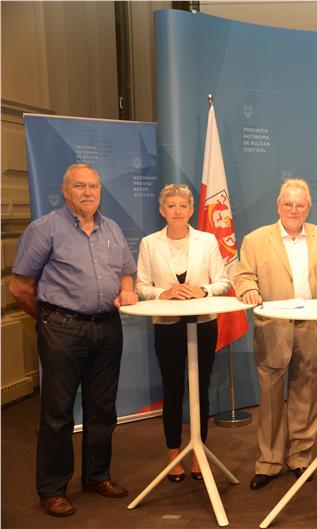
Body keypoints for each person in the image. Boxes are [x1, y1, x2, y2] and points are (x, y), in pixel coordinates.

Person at [9, 164, 138, 517]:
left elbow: (127, 273)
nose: (88, 192)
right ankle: (52, 490)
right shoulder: (45, 229)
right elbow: (20, 287)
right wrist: (49, 319)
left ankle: (97, 476)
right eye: (80, 186)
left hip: (108, 328)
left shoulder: (112, 228)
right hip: (62, 330)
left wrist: (127, 290)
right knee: (57, 414)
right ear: (65, 191)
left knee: (102, 410)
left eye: (93, 186)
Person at [233, 178, 317, 490]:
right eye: (288, 204)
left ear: (308, 207)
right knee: (270, 398)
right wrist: (249, 289)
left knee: (306, 396)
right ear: (278, 206)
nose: (294, 210)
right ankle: (269, 462)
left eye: (300, 205)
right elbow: (243, 276)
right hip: (273, 329)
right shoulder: (255, 240)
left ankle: (300, 457)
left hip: (312, 329)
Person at [135, 184, 231, 482]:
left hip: (203, 325)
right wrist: (163, 293)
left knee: (200, 388)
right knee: (173, 390)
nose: (177, 211)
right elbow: (141, 286)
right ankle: (173, 453)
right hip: (167, 326)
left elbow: (223, 282)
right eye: (171, 206)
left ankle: (198, 452)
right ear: (162, 210)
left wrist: (203, 290)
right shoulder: (149, 243)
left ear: (191, 210)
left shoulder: (207, 240)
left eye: (183, 206)